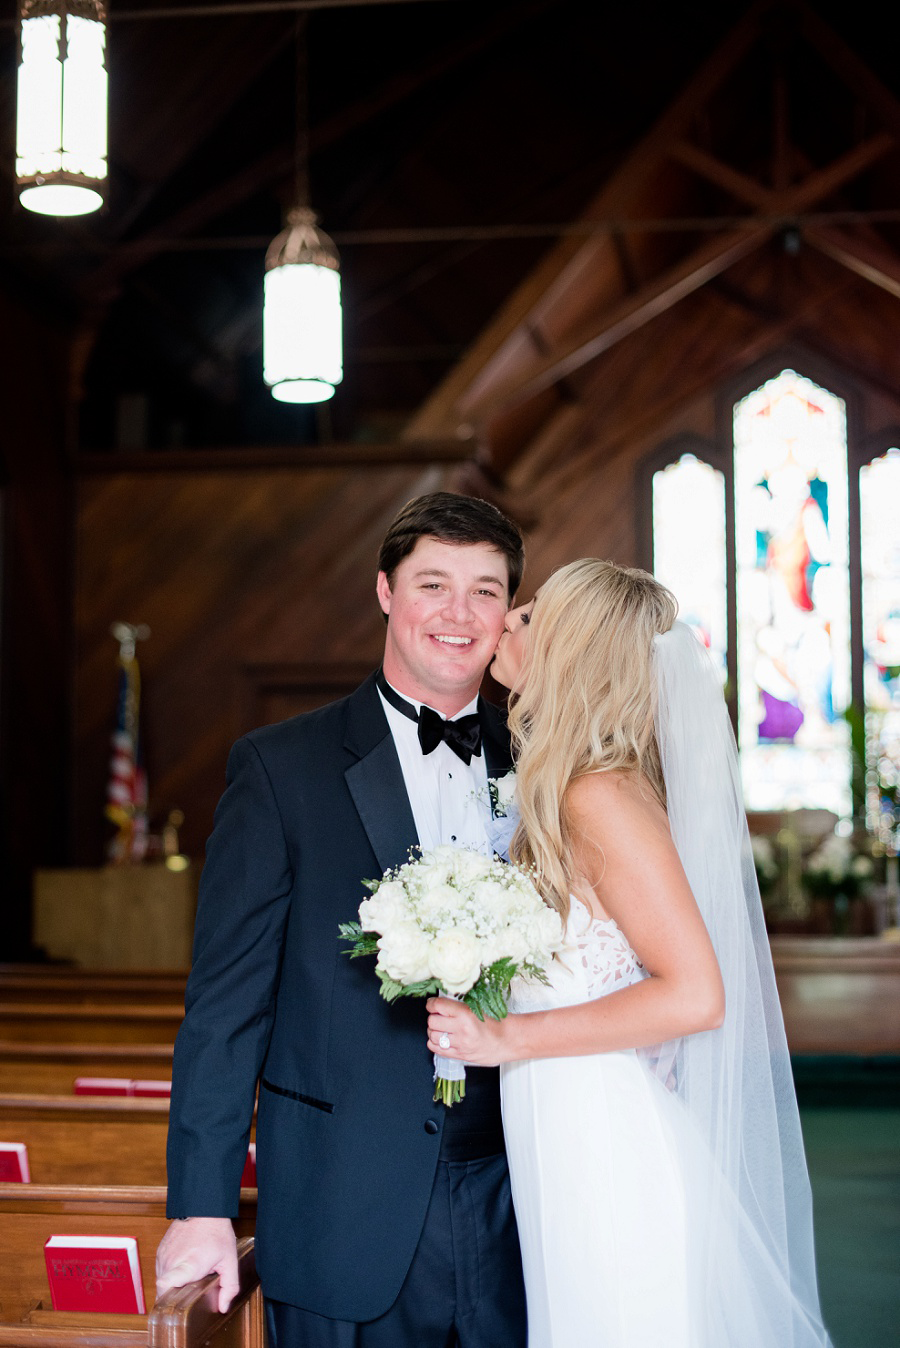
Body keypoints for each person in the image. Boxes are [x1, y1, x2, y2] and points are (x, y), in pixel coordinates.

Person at [427, 559, 833, 1348]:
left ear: (572, 650)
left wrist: (505, 1037)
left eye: (530, 617)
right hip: (562, 1111)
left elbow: (695, 995)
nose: (506, 620)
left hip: (602, 1130)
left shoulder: (596, 795)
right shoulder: (567, 785)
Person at [156, 492, 528, 1347]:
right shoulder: (280, 767)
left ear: (510, 613)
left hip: (529, 1194)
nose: (458, 613)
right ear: (384, 592)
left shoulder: (551, 763)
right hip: (341, 1201)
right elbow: (225, 1004)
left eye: (486, 590)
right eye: (433, 583)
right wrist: (202, 1208)